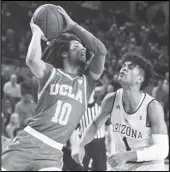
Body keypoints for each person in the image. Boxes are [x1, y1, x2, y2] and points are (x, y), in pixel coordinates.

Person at [1, 5, 107, 171]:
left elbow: (100, 51)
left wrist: (73, 27)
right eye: (77, 46)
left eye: (83, 46)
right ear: (64, 53)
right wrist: (37, 32)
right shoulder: (51, 73)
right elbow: (31, 60)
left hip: (53, 153)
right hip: (28, 141)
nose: (84, 48)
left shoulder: (88, 82)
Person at [73, 52, 169, 171]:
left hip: (149, 165)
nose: (124, 68)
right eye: (123, 65)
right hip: (124, 164)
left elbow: (162, 150)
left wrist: (128, 155)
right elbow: (95, 124)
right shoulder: (111, 100)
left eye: (130, 67)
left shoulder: (152, 107)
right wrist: (81, 144)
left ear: (140, 78)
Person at [63, 86, 113, 171]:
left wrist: (111, 147)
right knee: (82, 167)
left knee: (101, 168)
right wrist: (74, 146)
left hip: (99, 142)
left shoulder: (100, 108)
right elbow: (73, 129)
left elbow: (109, 127)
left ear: (93, 92)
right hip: (84, 142)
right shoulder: (79, 110)